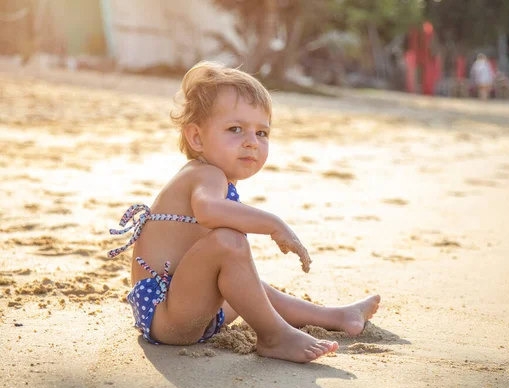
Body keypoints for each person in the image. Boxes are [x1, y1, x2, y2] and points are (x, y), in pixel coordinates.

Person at [106, 61, 381, 363]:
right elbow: (208, 212)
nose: (251, 142)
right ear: (196, 138)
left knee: (246, 283)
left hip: (190, 312)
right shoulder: (205, 174)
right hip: (166, 314)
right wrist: (273, 223)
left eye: (262, 133)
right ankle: (275, 336)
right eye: (235, 129)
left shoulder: (216, 177)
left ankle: (336, 317)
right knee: (228, 242)